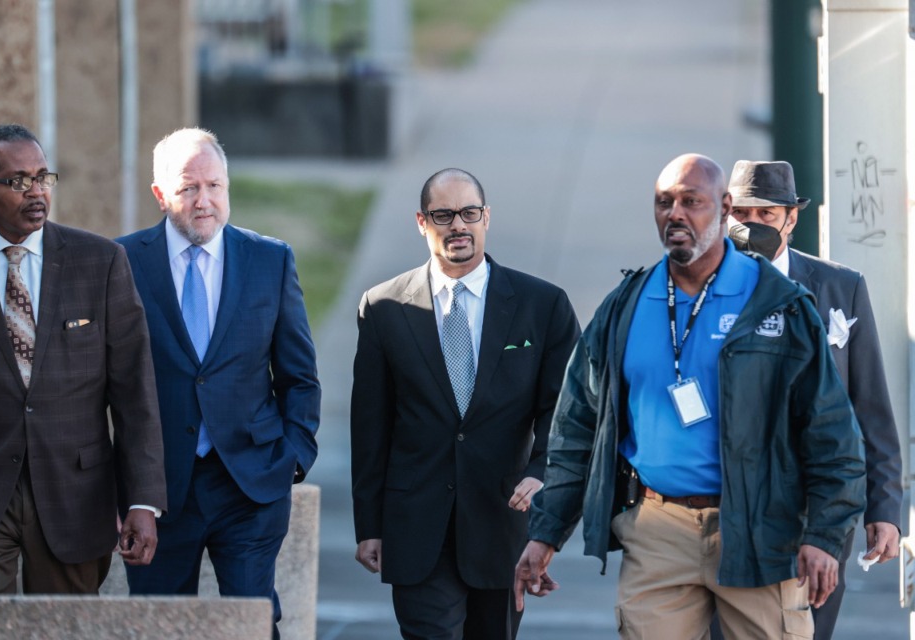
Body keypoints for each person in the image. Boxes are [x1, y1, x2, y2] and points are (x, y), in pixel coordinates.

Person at [514, 154, 866, 638]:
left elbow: (830, 430)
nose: (675, 213)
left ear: (724, 207)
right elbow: (577, 426)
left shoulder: (777, 304)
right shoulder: (625, 305)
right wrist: (546, 532)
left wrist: (825, 534)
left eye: (691, 201)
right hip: (658, 530)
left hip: (761, 528)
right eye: (664, 203)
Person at [351, 168, 580, 639]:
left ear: (486, 217)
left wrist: (543, 471)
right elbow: (370, 426)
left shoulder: (543, 305)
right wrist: (368, 524)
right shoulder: (383, 307)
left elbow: (567, 410)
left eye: (469, 213)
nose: (458, 225)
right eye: (443, 215)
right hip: (417, 529)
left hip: (502, 527)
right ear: (422, 222)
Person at [116, 128, 319, 638]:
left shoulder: (270, 260)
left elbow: (298, 376)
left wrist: (292, 457)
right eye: (189, 188)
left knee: (251, 624)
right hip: (158, 490)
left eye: (215, 186)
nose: (204, 201)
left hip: (249, 483)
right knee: (161, 628)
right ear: (161, 195)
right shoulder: (121, 263)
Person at [0, 123, 166, 594]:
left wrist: (144, 501)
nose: (35, 192)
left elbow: (135, 391)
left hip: (76, 494)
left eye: (42, 177)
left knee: (65, 628)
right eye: (17, 181)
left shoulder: (101, 262)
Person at [725, 159, 902, 640]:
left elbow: (870, 407)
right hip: (728, 506)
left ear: (791, 217)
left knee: (805, 631)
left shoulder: (840, 287)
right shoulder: (707, 287)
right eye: (742, 214)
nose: (753, 225)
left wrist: (884, 509)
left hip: (819, 507)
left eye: (766, 214)